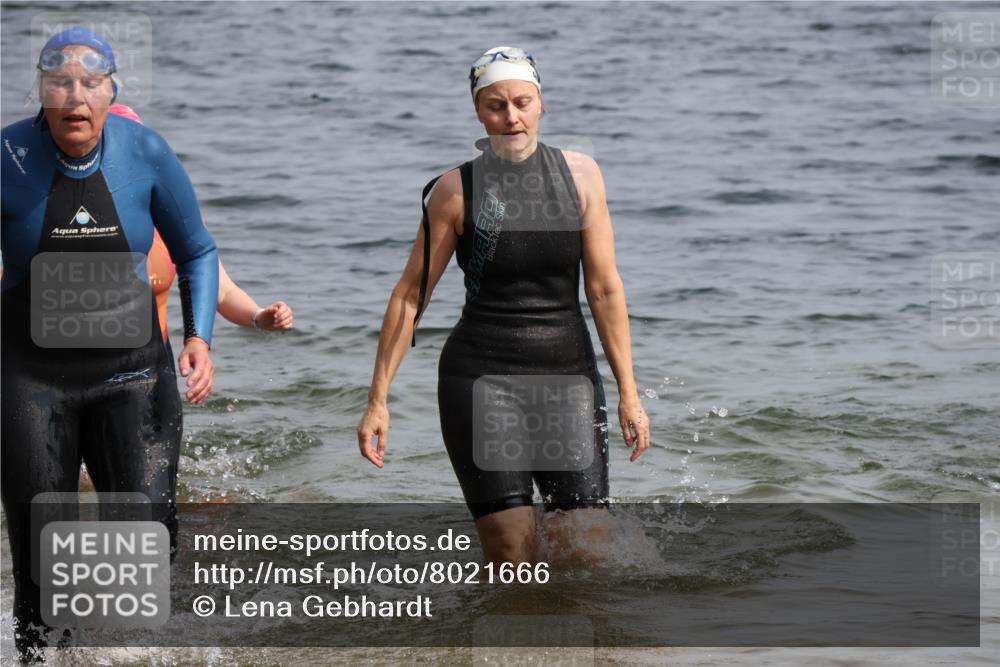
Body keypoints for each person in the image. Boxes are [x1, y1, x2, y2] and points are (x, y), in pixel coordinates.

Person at [357, 47, 650, 565]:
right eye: (495, 105)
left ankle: (585, 649)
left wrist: (630, 391)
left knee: (586, 547)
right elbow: (410, 295)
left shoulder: (581, 177)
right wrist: (378, 398)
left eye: (521, 102)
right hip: (481, 379)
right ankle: (495, 644)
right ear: (478, 111)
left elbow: (604, 288)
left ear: (541, 104)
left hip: (568, 378)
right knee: (512, 547)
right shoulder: (455, 191)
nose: (510, 117)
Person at [1, 29, 218, 661]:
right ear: (40, 94)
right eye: (59, 84)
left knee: (148, 539)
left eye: (90, 85)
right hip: (30, 381)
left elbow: (197, 250)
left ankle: (129, 654)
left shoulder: (145, 151)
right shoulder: (7, 157)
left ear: (110, 93)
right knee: (42, 555)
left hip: (133, 376)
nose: (75, 97)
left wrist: (200, 338)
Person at [109, 104, 294, 338]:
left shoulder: (169, 215)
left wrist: (259, 317)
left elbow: (222, 292)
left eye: (136, 152)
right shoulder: (71, 217)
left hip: (151, 366)